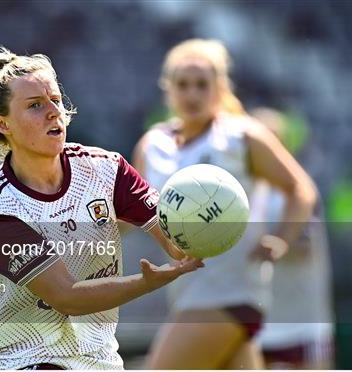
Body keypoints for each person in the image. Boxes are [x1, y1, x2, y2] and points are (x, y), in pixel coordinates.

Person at [0, 46, 203, 370]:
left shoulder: (107, 170)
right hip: (24, 362)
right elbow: (68, 297)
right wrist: (145, 283)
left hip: (99, 363)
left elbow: (175, 240)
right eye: (35, 105)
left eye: (56, 100)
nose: (53, 112)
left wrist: (207, 226)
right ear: (3, 124)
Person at [133, 39, 317, 369]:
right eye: (182, 84)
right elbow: (133, 214)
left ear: (220, 88)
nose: (192, 94)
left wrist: (282, 238)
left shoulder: (242, 137)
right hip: (186, 295)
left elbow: (300, 188)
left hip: (230, 295)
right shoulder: (152, 145)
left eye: (202, 84)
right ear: (168, 89)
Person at [251, 108, 334, 370]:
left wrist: (271, 243)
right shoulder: (241, 194)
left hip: (301, 325)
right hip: (255, 323)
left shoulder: (298, 193)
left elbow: (303, 247)